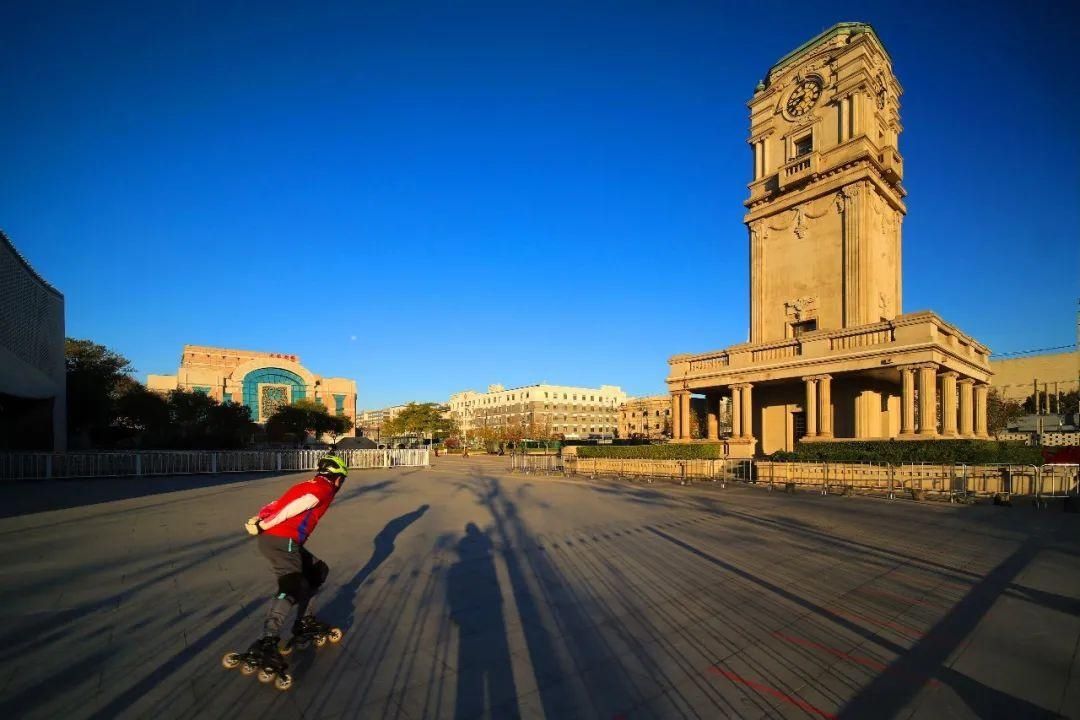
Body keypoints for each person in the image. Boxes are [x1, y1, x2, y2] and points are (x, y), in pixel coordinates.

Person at [240, 455, 348, 665]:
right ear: (335, 477)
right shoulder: (323, 488)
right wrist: (264, 524)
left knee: (317, 571)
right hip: (282, 541)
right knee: (292, 586)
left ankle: (304, 622)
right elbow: (294, 506)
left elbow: (278, 502)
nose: (340, 484)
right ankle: (268, 640)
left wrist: (260, 517)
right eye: (342, 479)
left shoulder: (307, 483)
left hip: (279, 539)